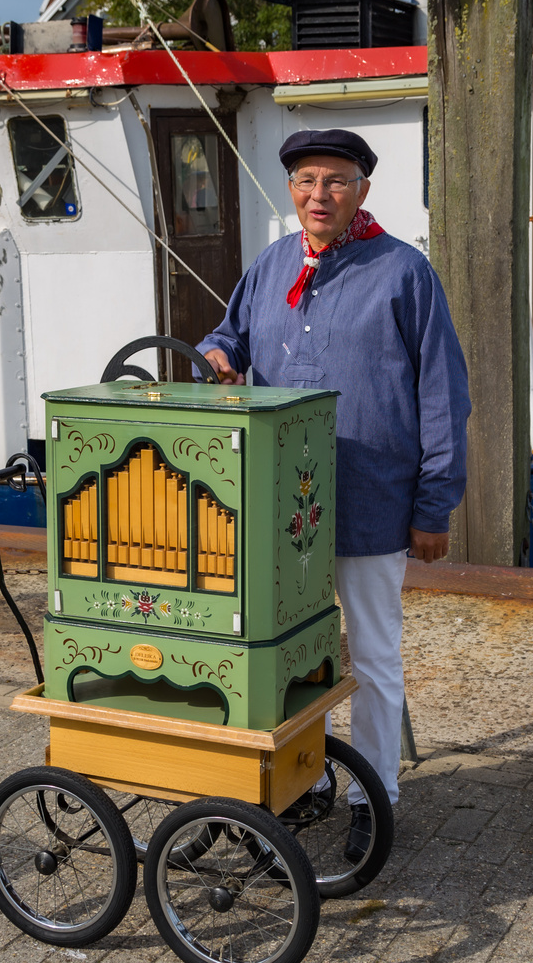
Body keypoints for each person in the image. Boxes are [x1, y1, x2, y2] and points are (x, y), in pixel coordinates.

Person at [198, 128, 471, 849]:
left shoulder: (404, 272)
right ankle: (304, 775)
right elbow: (228, 337)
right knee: (292, 650)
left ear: (363, 191)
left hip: (373, 500)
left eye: (337, 181)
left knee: (374, 656)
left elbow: (443, 392)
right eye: (307, 181)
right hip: (280, 509)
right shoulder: (270, 264)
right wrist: (219, 356)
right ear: (291, 189)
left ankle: (372, 792)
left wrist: (434, 503)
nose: (320, 195)